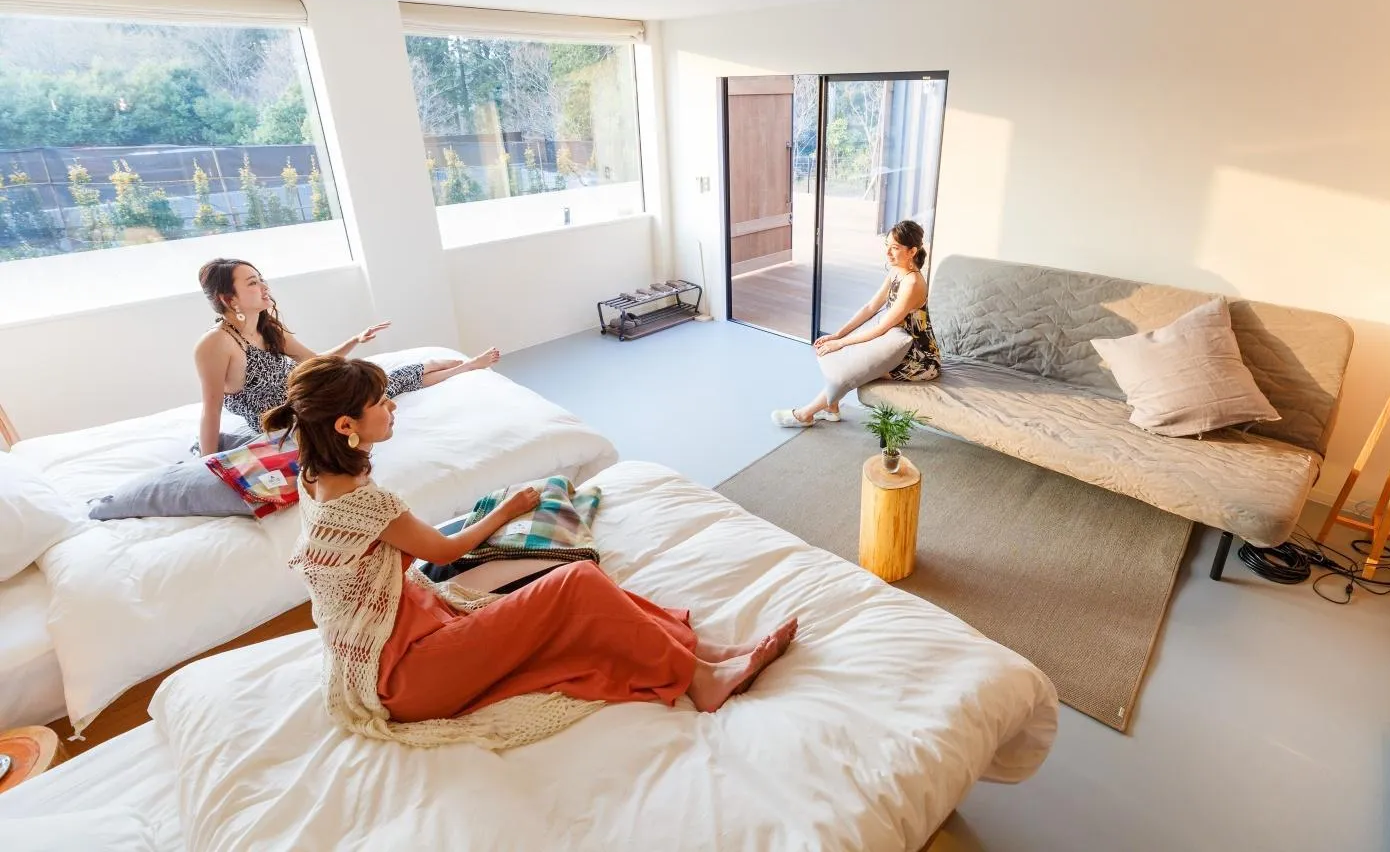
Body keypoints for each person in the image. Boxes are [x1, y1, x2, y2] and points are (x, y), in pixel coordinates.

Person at [271, 355, 797, 746]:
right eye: (380, 403)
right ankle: (702, 678)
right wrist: (507, 509)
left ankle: (700, 653)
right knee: (576, 581)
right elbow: (447, 545)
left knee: (575, 594)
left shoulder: (312, 476)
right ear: (345, 427)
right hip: (407, 676)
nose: (391, 408)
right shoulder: (363, 503)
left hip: (404, 637)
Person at [193, 258, 499, 455]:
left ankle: (460, 366)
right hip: (285, 419)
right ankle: (459, 367)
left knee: (373, 383)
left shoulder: (266, 327)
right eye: (252, 283)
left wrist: (355, 341)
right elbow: (211, 410)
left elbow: (315, 362)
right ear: (228, 298)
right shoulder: (216, 344)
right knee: (369, 394)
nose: (264, 287)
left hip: (304, 395)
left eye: (261, 279)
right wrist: (209, 463)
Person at [773, 219, 941, 427]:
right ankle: (830, 407)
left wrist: (841, 343)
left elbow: (881, 327)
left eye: (895, 248)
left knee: (856, 370)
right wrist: (838, 335)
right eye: (886, 246)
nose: (888, 253)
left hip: (918, 358)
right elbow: (870, 308)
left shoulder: (913, 283)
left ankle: (805, 414)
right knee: (842, 356)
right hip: (892, 344)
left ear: (912, 251)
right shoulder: (896, 271)